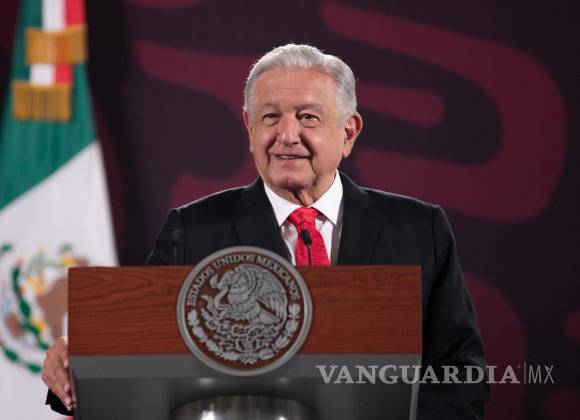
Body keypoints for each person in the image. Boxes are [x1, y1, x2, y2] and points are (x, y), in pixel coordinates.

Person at [42, 43, 489, 418]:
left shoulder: (418, 229)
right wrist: (77, 367)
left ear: (349, 132)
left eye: (308, 117)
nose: (287, 135)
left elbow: (463, 377)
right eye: (270, 117)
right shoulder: (192, 231)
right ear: (249, 127)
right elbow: (137, 361)